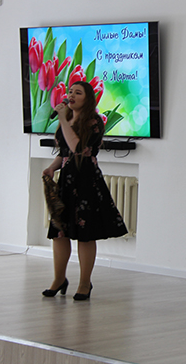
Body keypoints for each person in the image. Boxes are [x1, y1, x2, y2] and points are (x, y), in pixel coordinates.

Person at [42, 81, 128, 300]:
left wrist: (63, 120)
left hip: (86, 182)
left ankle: (84, 283)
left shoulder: (94, 122)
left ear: (88, 98)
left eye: (77, 93)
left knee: (85, 235)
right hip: (66, 181)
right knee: (59, 233)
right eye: (70, 92)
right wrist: (52, 167)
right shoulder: (68, 119)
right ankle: (58, 279)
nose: (71, 95)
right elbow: (65, 152)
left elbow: (78, 148)